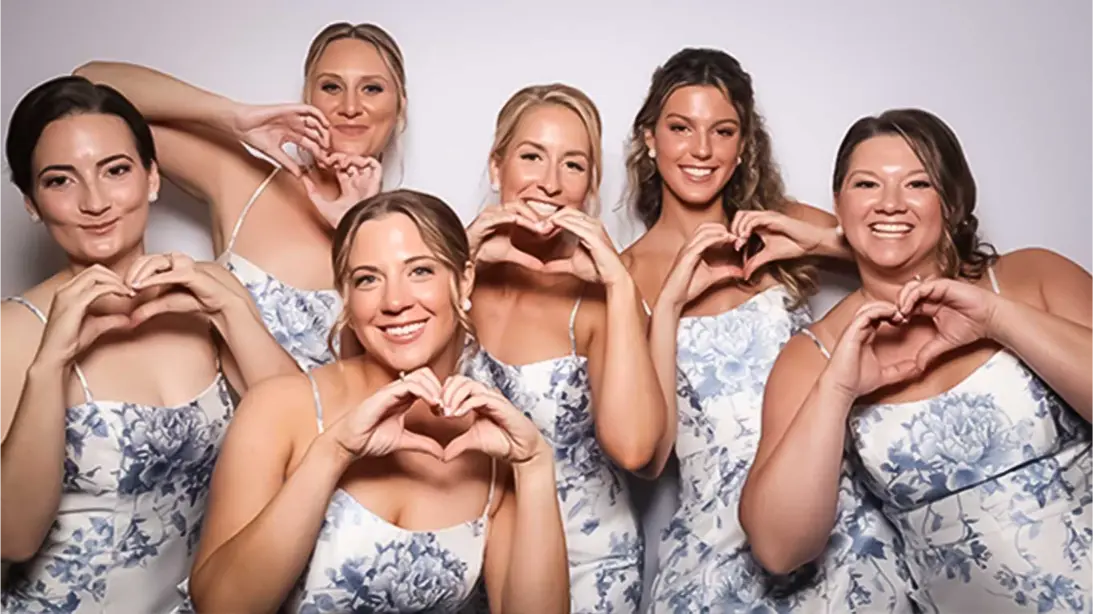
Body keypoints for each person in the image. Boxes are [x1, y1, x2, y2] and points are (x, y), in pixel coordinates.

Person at [741, 108, 1093, 613]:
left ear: (951, 201)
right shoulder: (813, 355)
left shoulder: (1031, 277)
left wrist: (998, 319)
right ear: (838, 204)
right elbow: (779, 549)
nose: (889, 204)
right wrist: (836, 392)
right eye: (866, 185)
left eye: (917, 184)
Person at [621, 49, 914, 611]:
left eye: (723, 131)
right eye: (681, 128)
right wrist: (670, 303)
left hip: (836, 527)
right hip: (718, 546)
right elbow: (650, 458)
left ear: (743, 147)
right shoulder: (626, 274)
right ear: (649, 138)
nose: (701, 150)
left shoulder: (783, 223)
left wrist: (816, 241)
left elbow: (914, 263)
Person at [185, 189, 570, 613]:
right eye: (368, 279)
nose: (395, 302)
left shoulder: (493, 443)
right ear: (347, 298)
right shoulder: (281, 408)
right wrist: (332, 454)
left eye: (420, 271)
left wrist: (535, 467)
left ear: (464, 282)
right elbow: (222, 607)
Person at [0, 75, 296, 613]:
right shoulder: (12, 331)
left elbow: (302, 438)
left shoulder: (212, 293)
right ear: (31, 203)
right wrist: (51, 364)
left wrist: (231, 312)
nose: (94, 201)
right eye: (60, 181)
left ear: (153, 178)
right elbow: (12, 538)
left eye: (115, 171)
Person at [75, 22, 407, 370]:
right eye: (331, 87)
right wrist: (235, 117)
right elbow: (90, 85)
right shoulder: (245, 180)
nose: (350, 106)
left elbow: (384, 376)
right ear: (309, 100)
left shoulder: (415, 233)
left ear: (399, 107)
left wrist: (353, 233)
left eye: (371, 88)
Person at [462, 83, 661, 613]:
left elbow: (637, 449)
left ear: (591, 185)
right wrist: (456, 264)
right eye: (532, 157)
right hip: (468, 557)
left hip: (586, 563)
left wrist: (618, 286)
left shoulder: (600, 300)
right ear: (496, 166)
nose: (549, 183)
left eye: (573, 166)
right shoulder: (452, 277)